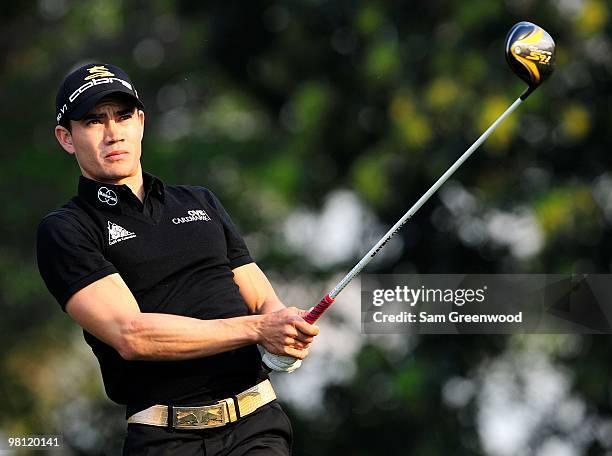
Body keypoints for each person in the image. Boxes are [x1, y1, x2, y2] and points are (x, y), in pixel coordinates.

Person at [36, 62, 319, 455]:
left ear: (141, 122)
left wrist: (285, 331)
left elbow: (260, 298)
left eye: (123, 116)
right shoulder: (67, 229)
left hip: (257, 426)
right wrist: (259, 329)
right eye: (94, 121)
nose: (114, 133)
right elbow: (132, 335)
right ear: (67, 138)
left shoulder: (200, 200)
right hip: (166, 440)